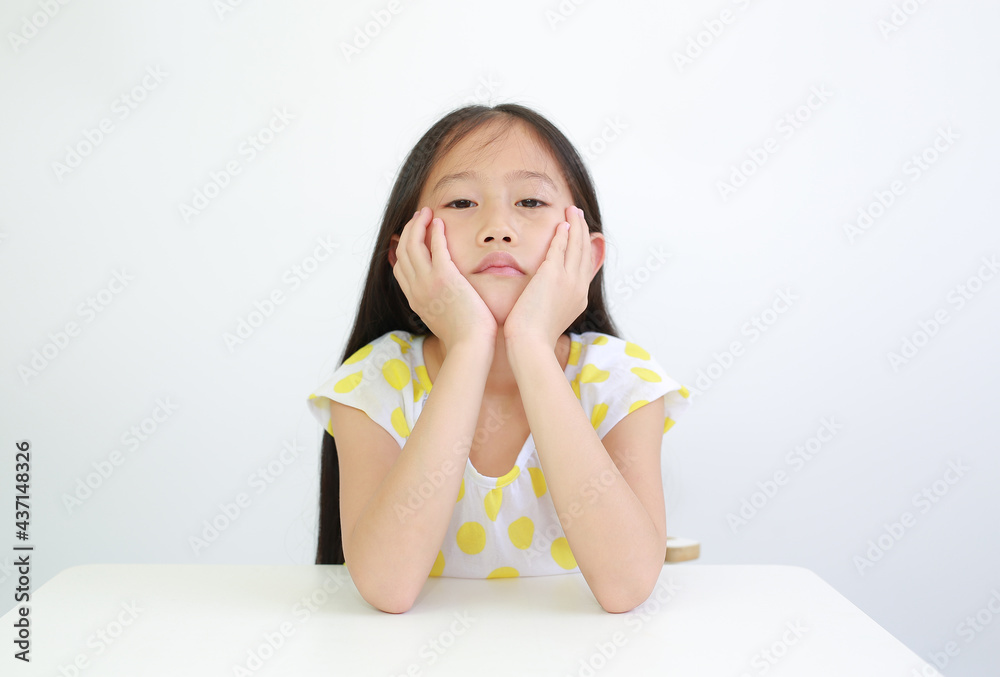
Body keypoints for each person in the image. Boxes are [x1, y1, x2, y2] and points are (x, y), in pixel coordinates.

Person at [306, 103, 691, 614]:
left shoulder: (623, 384)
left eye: (530, 200)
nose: (497, 228)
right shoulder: (373, 385)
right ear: (406, 255)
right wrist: (468, 346)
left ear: (588, 255)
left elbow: (625, 588)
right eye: (462, 202)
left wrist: (531, 344)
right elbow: (387, 587)